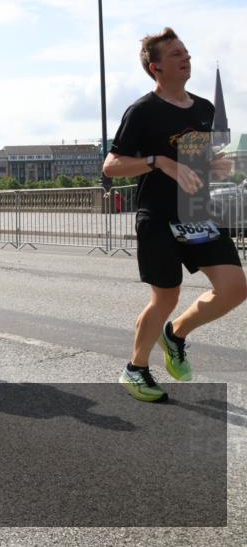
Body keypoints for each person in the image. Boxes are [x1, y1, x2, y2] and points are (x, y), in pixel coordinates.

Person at [103, 27, 246, 402]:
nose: (186, 58)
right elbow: (111, 166)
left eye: (186, 51)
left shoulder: (203, 109)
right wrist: (157, 161)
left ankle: (176, 334)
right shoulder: (142, 111)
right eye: (176, 54)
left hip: (196, 212)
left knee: (235, 289)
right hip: (159, 216)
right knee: (165, 298)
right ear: (156, 68)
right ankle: (135, 369)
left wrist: (214, 166)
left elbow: (197, 163)